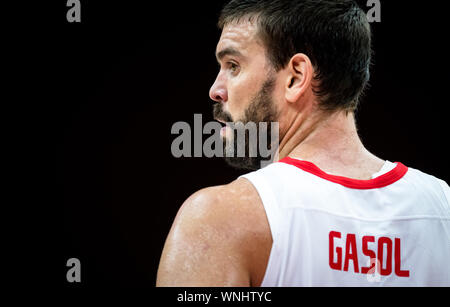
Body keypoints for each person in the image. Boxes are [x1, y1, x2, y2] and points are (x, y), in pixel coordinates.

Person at [156, 0, 450, 286]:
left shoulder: (217, 219)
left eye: (233, 65)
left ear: (296, 77)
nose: (215, 90)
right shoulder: (442, 206)